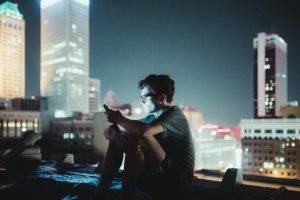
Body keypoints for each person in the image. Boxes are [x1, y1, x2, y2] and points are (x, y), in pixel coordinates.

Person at [95, 74, 195, 200]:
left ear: (162, 97)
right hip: (156, 178)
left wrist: (120, 119)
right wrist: (116, 137)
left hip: (177, 184)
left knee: (139, 135)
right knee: (126, 137)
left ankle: (124, 195)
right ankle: (101, 191)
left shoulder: (175, 115)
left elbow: (143, 131)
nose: (141, 102)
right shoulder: (152, 118)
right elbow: (108, 131)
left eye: (144, 98)